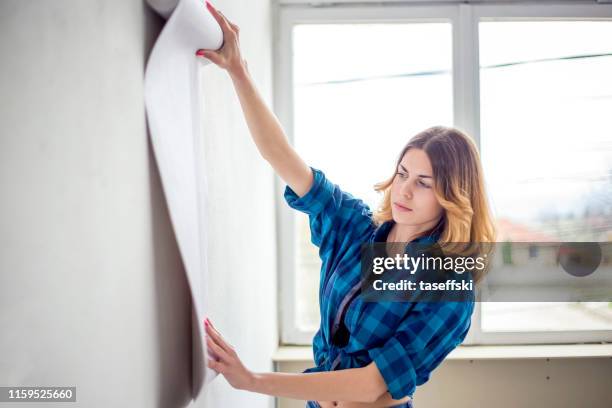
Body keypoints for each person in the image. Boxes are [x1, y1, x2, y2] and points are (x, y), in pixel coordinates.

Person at [197, 2, 496, 407]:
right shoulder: (355, 227)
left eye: (424, 183)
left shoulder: (450, 288)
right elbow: (282, 157)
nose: (404, 191)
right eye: (403, 173)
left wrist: (252, 380)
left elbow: (371, 384)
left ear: (454, 198)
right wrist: (238, 71)